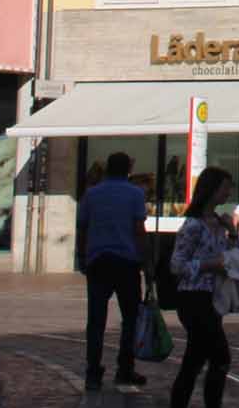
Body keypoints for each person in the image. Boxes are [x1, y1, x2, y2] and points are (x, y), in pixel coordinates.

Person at [77, 151, 150, 393]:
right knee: (130, 319)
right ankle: (125, 369)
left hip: (98, 261)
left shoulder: (92, 194)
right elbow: (139, 229)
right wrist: (145, 260)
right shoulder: (135, 194)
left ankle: (93, 372)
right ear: (128, 169)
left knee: (96, 320)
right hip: (127, 262)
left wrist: (82, 257)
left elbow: (83, 228)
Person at [170, 167, 237, 408]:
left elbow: (230, 258)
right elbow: (177, 265)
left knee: (195, 359)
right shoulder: (193, 225)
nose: (228, 193)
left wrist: (233, 233)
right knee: (220, 358)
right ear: (211, 190)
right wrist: (209, 265)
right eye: (225, 188)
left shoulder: (219, 223)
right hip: (193, 298)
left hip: (213, 298)